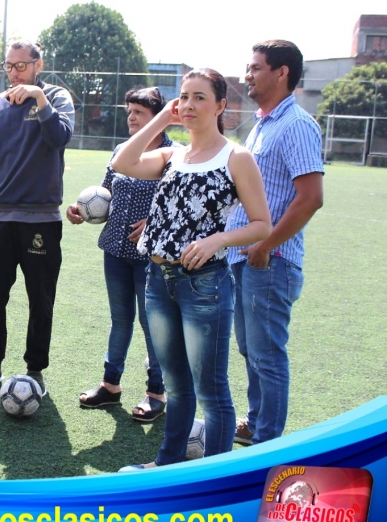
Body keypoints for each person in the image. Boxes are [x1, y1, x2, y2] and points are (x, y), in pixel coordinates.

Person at [113, 69, 272, 470]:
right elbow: (122, 161)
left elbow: (262, 224)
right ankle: (167, 468)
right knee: (178, 389)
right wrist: (160, 120)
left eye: (199, 97)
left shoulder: (237, 157)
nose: (188, 105)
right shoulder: (172, 155)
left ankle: (213, 484)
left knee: (211, 392)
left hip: (205, 286)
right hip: (157, 280)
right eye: (183, 97)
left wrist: (217, 240)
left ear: (221, 106)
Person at [0, 41, 75, 396]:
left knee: (41, 299)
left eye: (21, 66)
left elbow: (59, 137)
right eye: (9, 66)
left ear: (39, 65)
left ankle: (35, 370)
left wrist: (40, 99)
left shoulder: (57, 99)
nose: (15, 73)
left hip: (41, 220)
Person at [227, 40, 324, 446]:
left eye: (255, 68)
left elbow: (310, 197)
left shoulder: (296, 124)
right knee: (251, 349)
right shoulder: (264, 123)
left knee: (267, 354)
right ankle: (255, 421)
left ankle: (269, 440)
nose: (247, 75)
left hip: (272, 260)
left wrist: (266, 246)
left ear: (281, 73)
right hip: (245, 257)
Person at [66, 87, 172, 421]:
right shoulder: (122, 151)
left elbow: (179, 203)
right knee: (120, 319)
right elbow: (104, 193)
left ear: (157, 117)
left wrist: (156, 222)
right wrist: (81, 210)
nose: (131, 117)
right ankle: (110, 386)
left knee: (152, 323)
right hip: (114, 249)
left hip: (151, 256)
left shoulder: (174, 154)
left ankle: (157, 392)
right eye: (129, 111)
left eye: (139, 112)